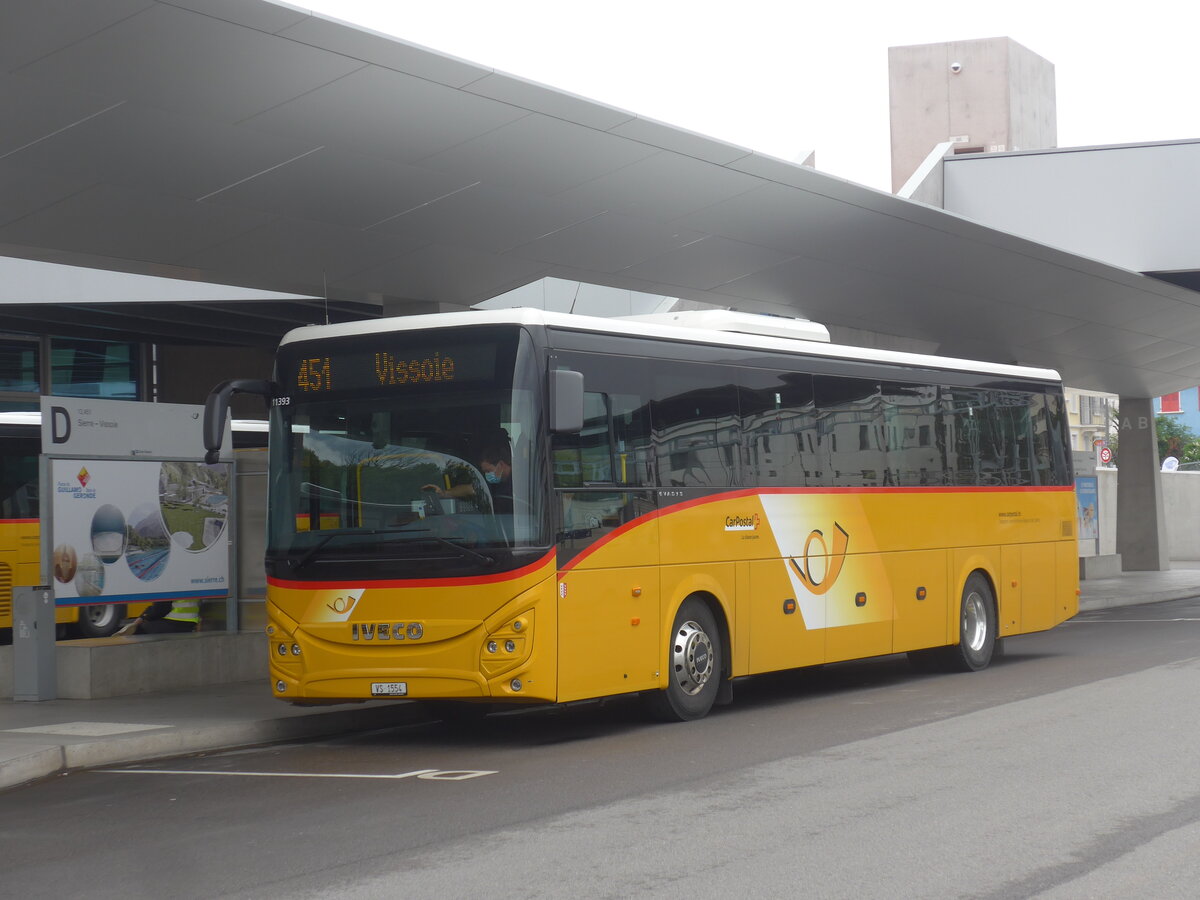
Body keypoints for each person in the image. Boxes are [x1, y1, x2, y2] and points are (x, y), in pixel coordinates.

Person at [424, 439, 512, 515]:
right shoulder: (493, 482)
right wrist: (444, 493)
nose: (487, 475)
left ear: (500, 465)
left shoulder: (520, 480)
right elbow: (470, 489)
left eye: (488, 471)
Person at [130, 597, 200, 634]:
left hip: (175, 621)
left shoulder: (167, 581)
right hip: (191, 622)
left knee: (140, 629)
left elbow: (159, 610)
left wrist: (142, 618)